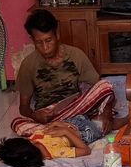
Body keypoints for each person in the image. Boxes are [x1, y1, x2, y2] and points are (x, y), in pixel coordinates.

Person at [12, 9, 116, 140]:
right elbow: (23, 108)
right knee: (17, 124)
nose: (45, 48)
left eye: (48, 40)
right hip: (48, 118)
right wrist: (34, 115)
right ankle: (74, 131)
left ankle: (66, 131)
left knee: (105, 85)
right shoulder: (28, 64)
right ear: (32, 40)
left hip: (77, 109)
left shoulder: (76, 55)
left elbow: (100, 89)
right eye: (39, 42)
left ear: (57, 35)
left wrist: (106, 113)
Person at [0, 120, 91, 167]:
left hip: (68, 121)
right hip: (83, 131)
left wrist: (54, 125)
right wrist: (66, 131)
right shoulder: (56, 152)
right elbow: (85, 150)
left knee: (17, 122)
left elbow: (45, 129)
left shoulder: (33, 139)